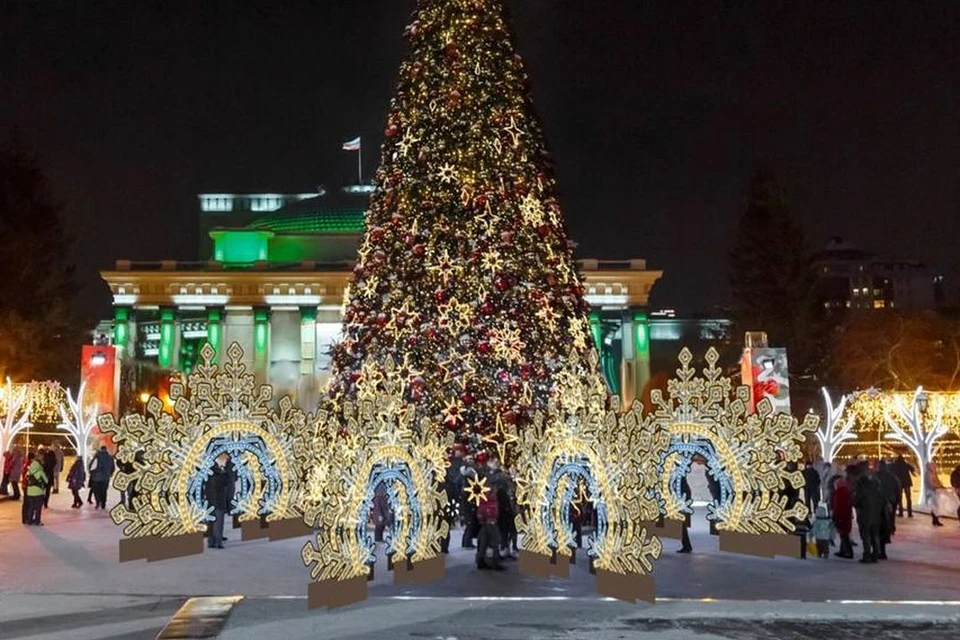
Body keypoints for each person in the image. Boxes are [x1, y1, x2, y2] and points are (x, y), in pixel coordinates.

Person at [852, 467, 884, 562]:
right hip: (876, 516)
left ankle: (867, 555)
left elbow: (855, 502)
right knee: (875, 535)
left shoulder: (861, 490)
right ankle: (875, 554)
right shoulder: (876, 490)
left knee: (866, 536)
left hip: (865, 516)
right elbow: (881, 502)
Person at [475, 481, 505, 570]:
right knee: (496, 541)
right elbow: (493, 509)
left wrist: (481, 518)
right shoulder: (492, 498)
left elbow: (481, 509)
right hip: (492, 522)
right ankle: (495, 562)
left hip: (485, 523)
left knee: (484, 542)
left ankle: (481, 560)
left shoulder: (483, 498)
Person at [204, 453, 231, 549]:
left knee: (211, 522)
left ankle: (211, 541)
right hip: (218, 500)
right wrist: (223, 471)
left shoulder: (209, 469)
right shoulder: (219, 471)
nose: (226, 461)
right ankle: (218, 542)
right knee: (218, 522)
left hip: (210, 500)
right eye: (225, 460)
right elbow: (225, 482)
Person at [875, 460, 900, 541]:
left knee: (883, 517)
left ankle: (885, 532)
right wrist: (898, 499)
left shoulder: (875, 476)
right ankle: (891, 529)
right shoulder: (892, 476)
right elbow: (898, 488)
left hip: (881, 500)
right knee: (891, 516)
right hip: (892, 499)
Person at [831, 474, 854, 559]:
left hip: (842, 517)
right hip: (846, 516)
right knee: (844, 534)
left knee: (844, 535)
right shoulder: (846, 491)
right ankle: (843, 551)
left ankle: (848, 552)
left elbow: (838, 506)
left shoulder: (839, 493)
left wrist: (835, 516)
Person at [24, 451, 48, 525]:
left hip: (30, 492)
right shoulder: (40, 471)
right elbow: (46, 481)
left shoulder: (29, 470)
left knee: (31, 507)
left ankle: (29, 520)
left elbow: (26, 477)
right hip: (38, 492)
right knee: (38, 508)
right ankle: (37, 521)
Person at [924, 461, 944, 527]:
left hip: (935, 491)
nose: (935, 468)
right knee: (935, 506)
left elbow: (936, 481)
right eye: (934, 466)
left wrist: (940, 485)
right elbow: (930, 483)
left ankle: (936, 520)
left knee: (936, 506)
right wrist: (938, 486)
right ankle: (935, 520)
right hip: (932, 492)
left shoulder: (932, 473)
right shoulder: (928, 474)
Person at [677, 475, 693, 553]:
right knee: (681, 521)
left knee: (681, 521)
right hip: (683, 493)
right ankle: (686, 545)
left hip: (681, 495)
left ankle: (687, 545)